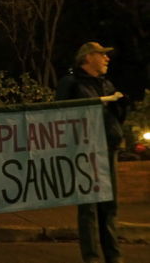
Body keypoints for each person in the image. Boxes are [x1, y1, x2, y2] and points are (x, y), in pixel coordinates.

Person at [56, 41, 126, 263]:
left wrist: (120, 106)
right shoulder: (71, 83)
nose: (107, 58)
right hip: (84, 151)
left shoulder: (106, 85)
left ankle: (114, 257)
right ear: (87, 58)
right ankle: (93, 258)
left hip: (108, 148)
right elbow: (61, 114)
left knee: (109, 207)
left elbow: (115, 118)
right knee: (89, 208)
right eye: (101, 54)